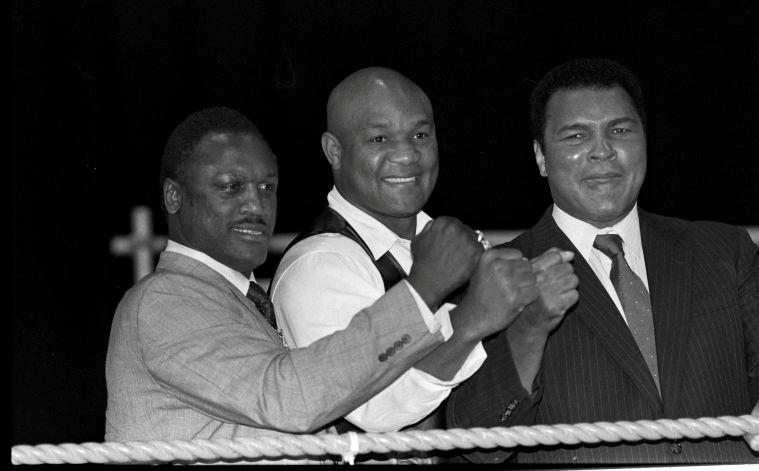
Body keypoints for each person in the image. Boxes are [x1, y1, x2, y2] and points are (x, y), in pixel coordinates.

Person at [104, 106, 530, 464]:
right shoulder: (164, 299)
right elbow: (292, 399)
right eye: (231, 188)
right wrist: (421, 291)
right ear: (174, 197)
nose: (255, 204)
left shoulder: (239, 300)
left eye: (266, 187)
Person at [446, 57, 759, 465]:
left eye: (620, 130)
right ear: (540, 156)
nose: (603, 151)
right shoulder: (498, 273)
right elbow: (476, 447)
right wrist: (529, 328)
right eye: (576, 136)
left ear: (645, 140)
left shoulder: (722, 249)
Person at [270, 67, 577, 462]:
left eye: (420, 134)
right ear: (334, 151)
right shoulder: (319, 266)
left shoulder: (447, 240)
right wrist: (470, 320)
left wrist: (528, 323)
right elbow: (375, 410)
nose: (406, 154)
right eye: (379, 138)